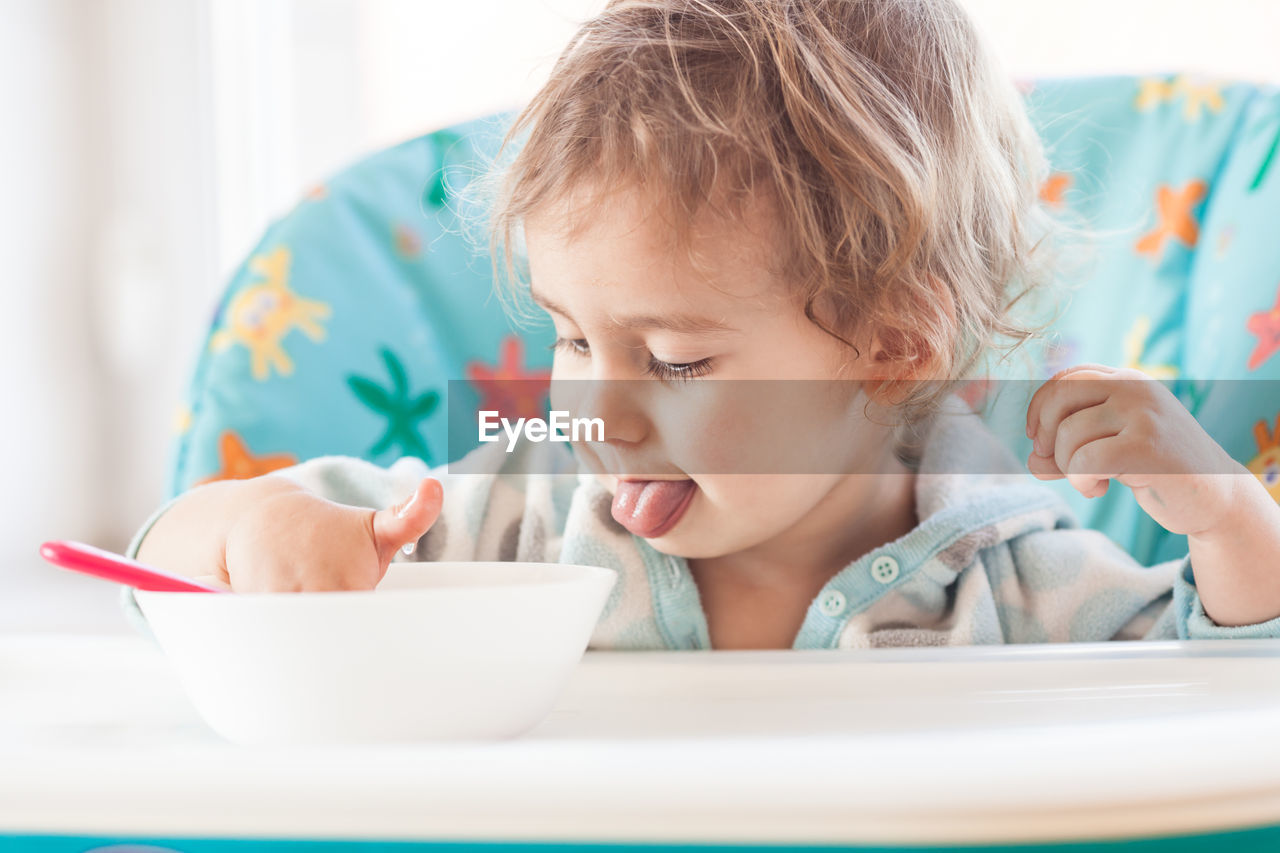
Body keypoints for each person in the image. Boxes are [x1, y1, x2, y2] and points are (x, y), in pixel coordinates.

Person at [126, 0, 1280, 649]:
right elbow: (160, 564)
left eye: (673, 359)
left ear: (890, 351)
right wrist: (255, 530)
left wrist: (1225, 517)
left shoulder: (1009, 580)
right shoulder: (505, 532)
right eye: (571, 338)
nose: (595, 409)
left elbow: (1227, 688)